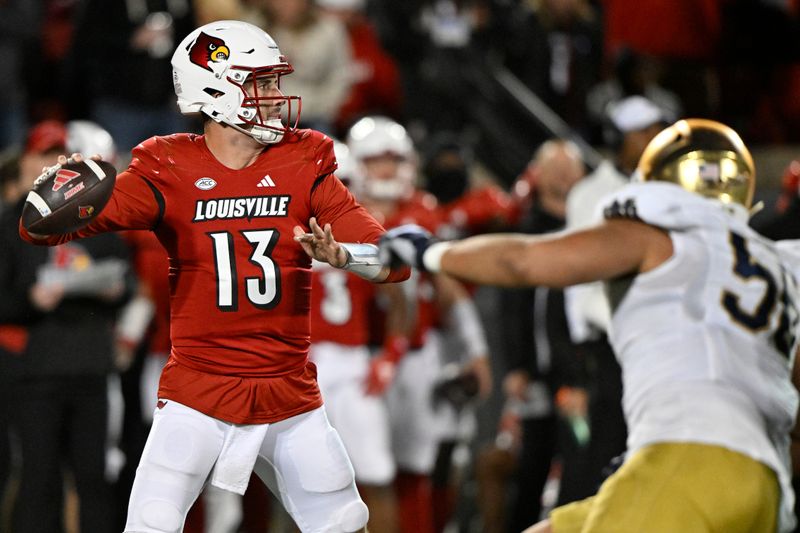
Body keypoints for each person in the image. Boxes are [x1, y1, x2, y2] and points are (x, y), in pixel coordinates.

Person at [19, 20, 409, 533]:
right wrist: (63, 195)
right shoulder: (168, 166)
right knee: (150, 526)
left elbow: (394, 260)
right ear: (217, 88)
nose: (275, 96)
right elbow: (42, 231)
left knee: (344, 523)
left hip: (287, 392)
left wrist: (344, 256)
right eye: (262, 83)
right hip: (198, 392)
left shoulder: (303, 160)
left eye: (273, 82)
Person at [379, 118, 799, 533]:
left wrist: (430, 254)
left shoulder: (656, 236)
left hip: (686, 454)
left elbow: (523, 262)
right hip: (762, 484)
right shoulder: (780, 265)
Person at [2, 120, 134, 533]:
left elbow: (126, 279)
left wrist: (117, 291)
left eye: (55, 155)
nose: (49, 164)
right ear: (26, 160)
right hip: (37, 372)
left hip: (91, 368)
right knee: (40, 481)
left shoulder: (95, 215)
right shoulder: (10, 223)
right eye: (42, 155)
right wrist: (30, 302)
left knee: (93, 480)